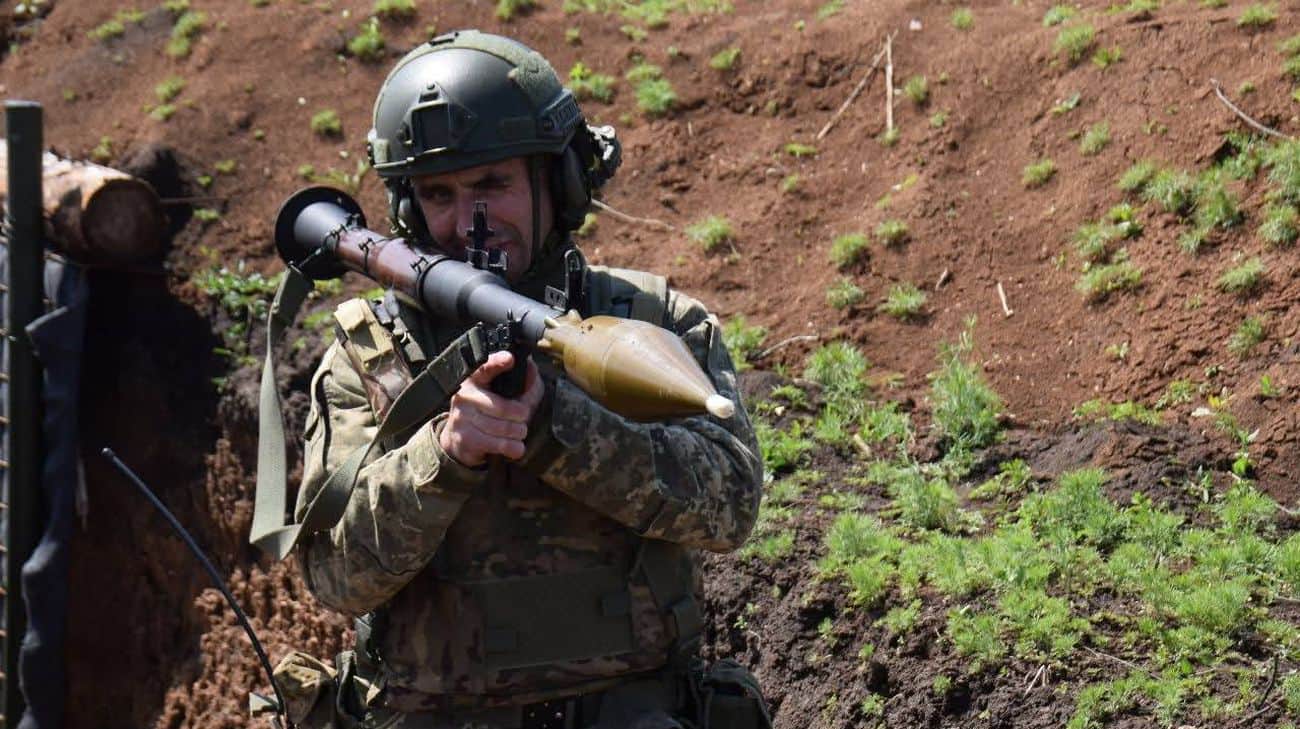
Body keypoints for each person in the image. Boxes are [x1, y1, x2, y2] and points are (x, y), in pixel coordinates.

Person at [291, 29, 767, 729]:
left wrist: (557, 425)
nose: (469, 223)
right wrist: (446, 456)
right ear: (406, 208)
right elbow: (334, 575)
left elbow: (731, 505)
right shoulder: (369, 354)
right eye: (439, 194)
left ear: (558, 182)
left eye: (493, 184)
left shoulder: (650, 324)